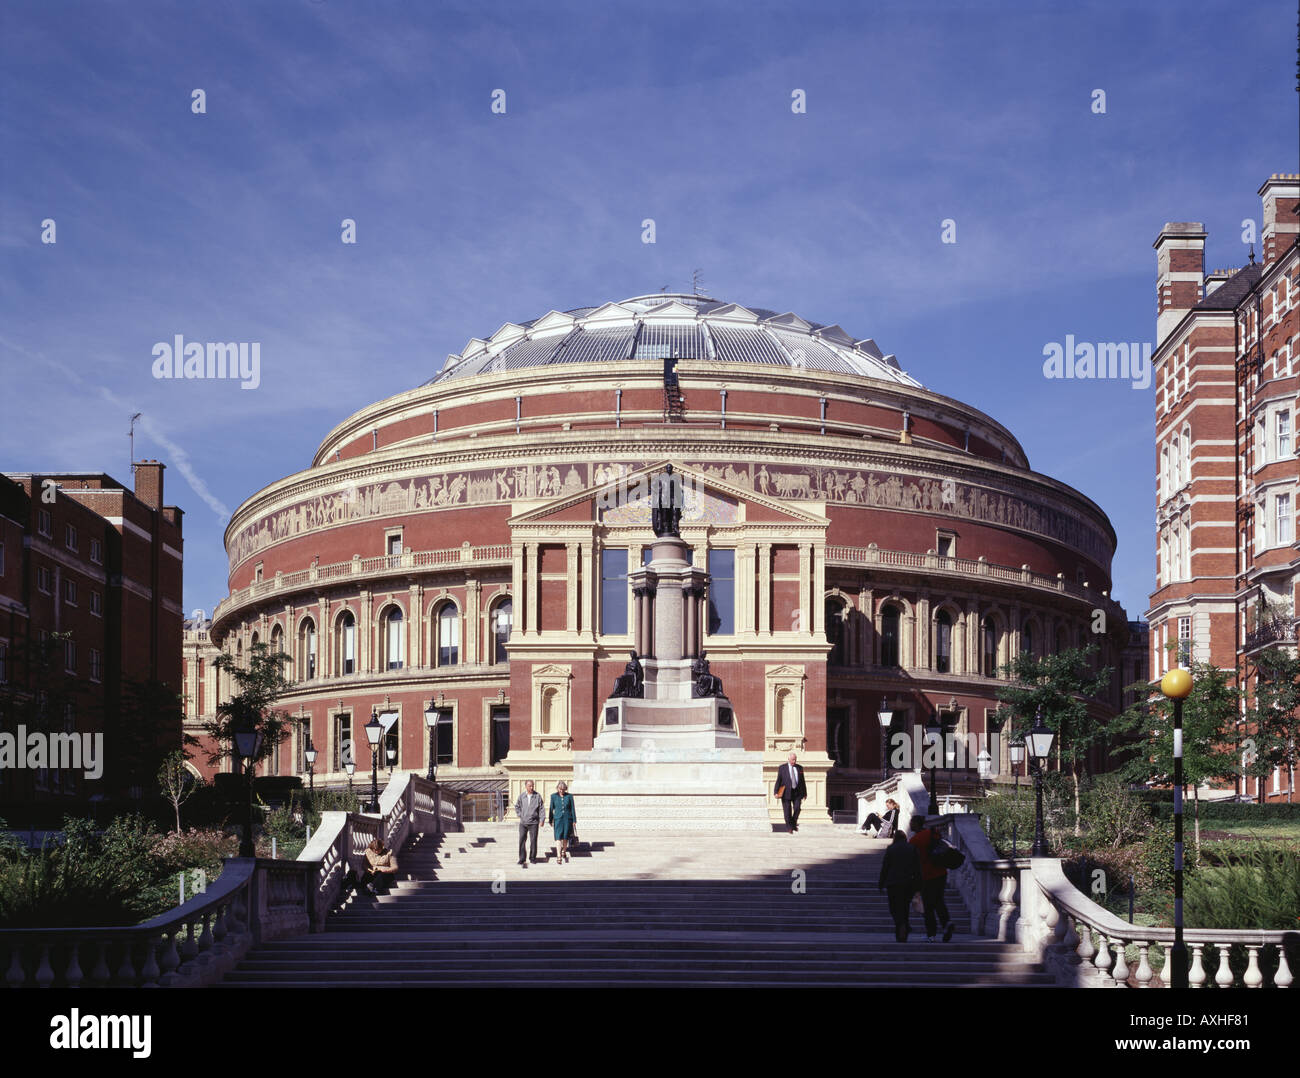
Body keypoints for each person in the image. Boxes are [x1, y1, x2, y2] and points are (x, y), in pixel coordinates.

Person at [908, 815, 955, 942]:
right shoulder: (933, 833)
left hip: (926, 875)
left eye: (912, 822)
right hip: (941, 872)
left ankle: (931, 934)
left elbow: (912, 861)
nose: (910, 825)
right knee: (939, 901)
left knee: (928, 906)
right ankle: (946, 923)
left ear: (917, 824)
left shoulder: (914, 840)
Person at [877, 830, 922, 941]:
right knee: (905, 907)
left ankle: (901, 925)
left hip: (893, 883)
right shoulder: (912, 848)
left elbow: (885, 867)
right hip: (908, 882)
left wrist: (881, 883)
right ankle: (903, 930)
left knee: (894, 908)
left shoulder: (891, 849)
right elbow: (917, 869)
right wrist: (919, 886)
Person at [774, 752, 807, 833]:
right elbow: (778, 780)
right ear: (788, 759)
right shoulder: (782, 768)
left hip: (797, 792)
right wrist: (776, 792)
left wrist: (805, 793)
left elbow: (802, 781)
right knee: (787, 811)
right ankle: (789, 827)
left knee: (797, 808)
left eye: (795, 759)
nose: (794, 761)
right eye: (792, 759)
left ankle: (793, 823)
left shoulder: (800, 768)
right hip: (786, 793)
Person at [515, 779, 544, 866]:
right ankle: (522, 858)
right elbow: (517, 806)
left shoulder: (537, 796)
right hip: (523, 823)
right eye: (529, 786)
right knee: (522, 840)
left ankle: (532, 858)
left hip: (534, 823)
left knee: (533, 841)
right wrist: (520, 815)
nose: (531, 787)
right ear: (526, 786)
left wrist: (542, 820)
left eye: (532, 786)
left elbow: (541, 809)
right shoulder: (521, 796)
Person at [548, 780, 577, 864]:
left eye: (563, 789)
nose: (561, 791)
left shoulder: (570, 796)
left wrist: (574, 820)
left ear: (565, 789)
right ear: (557, 789)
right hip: (558, 819)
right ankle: (558, 856)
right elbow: (551, 809)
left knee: (565, 837)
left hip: (567, 819)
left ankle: (564, 851)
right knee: (558, 837)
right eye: (560, 789)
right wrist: (550, 819)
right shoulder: (553, 796)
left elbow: (572, 809)